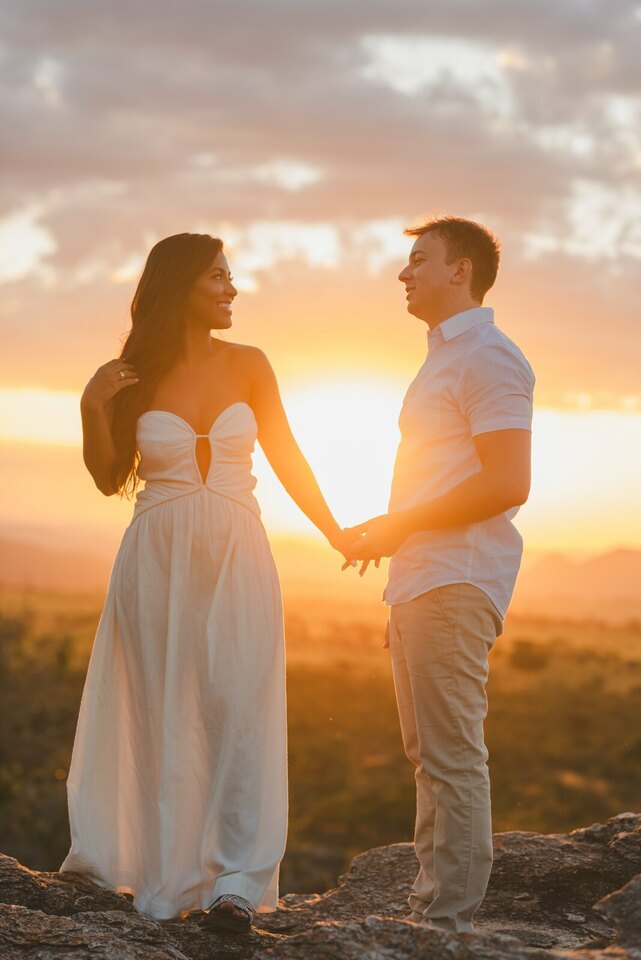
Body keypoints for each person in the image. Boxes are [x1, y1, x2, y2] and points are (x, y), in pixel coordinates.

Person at [59, 232, 351, 933]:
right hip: (155, 557)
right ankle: (160, 869)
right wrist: (91, 407)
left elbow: (286, 453)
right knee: (160, 708)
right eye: (217, 277)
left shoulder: (250, 363)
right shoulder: (133, 375)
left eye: (230, 276)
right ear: (180, 285)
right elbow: (107, 478)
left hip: (237, 554)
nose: (231, 288)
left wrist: (335, 531)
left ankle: (235, 883)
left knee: (238, 707)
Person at [346, 216, 535, 933]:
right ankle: (429, 909)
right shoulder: (443, 358)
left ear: (461, 271)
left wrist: (399, 526)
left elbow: (507, 481)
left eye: (419, 259)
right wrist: (397, 554)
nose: (404, 273)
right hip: (423, 579)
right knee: (428, 755)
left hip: (455, 578)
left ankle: (447, 923)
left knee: (452, 757)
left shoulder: (489, 356)